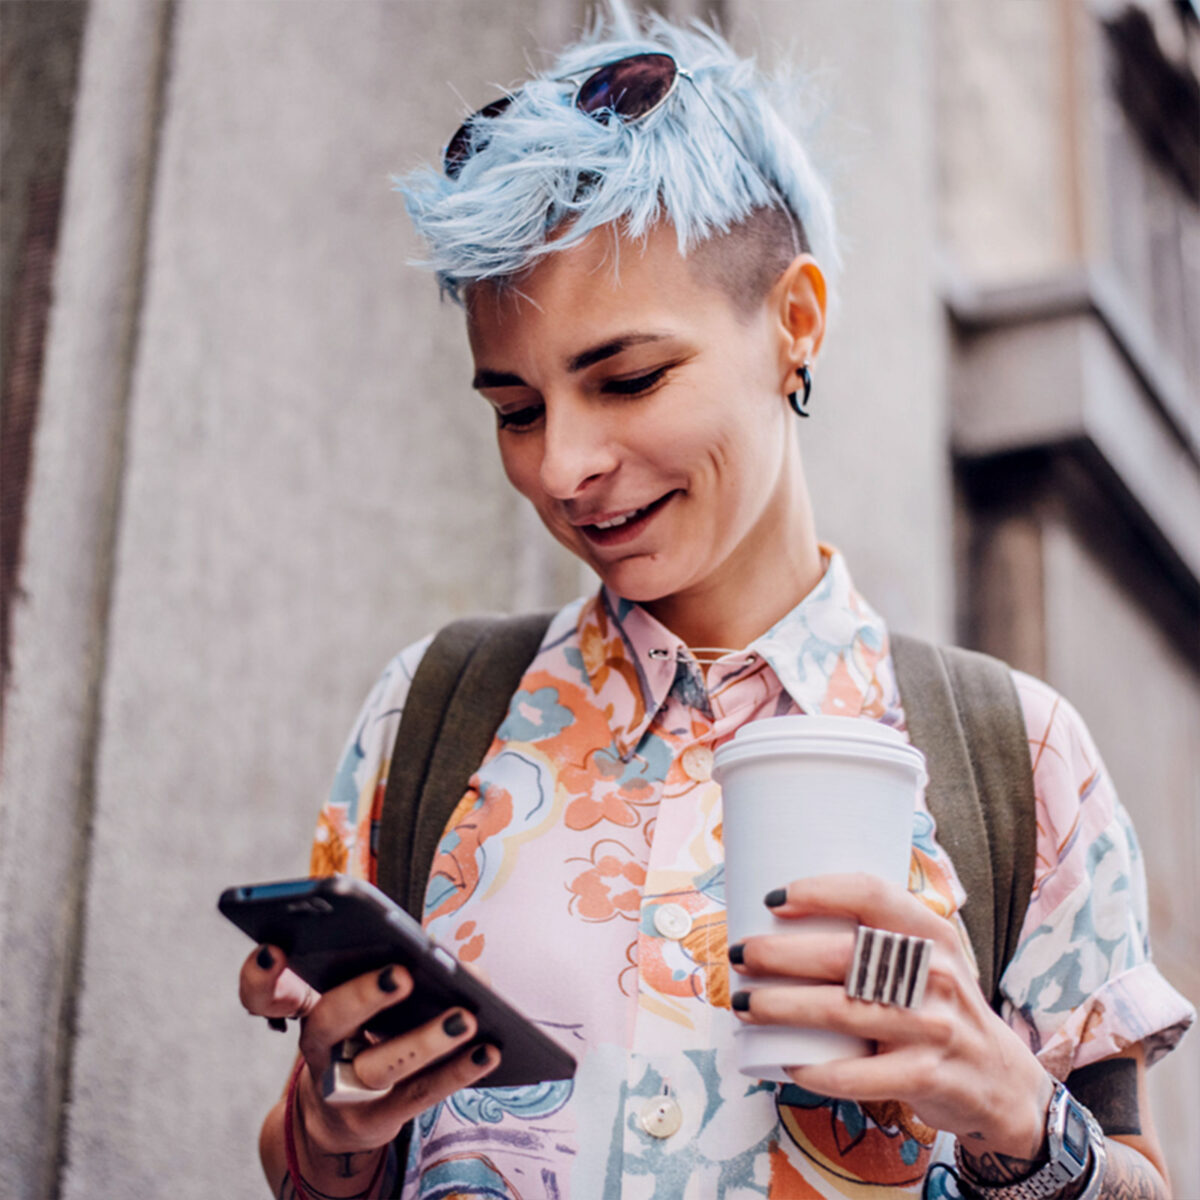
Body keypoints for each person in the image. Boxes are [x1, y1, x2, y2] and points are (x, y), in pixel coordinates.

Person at [238, 8, 1194, 1199]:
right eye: (515, 409)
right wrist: (331, 1145)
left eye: (628, 378)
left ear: (795, 322)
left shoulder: (1019, 755)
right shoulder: (428, 715)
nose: (561, 467)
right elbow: (316, 1164)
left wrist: (1006, 1109)